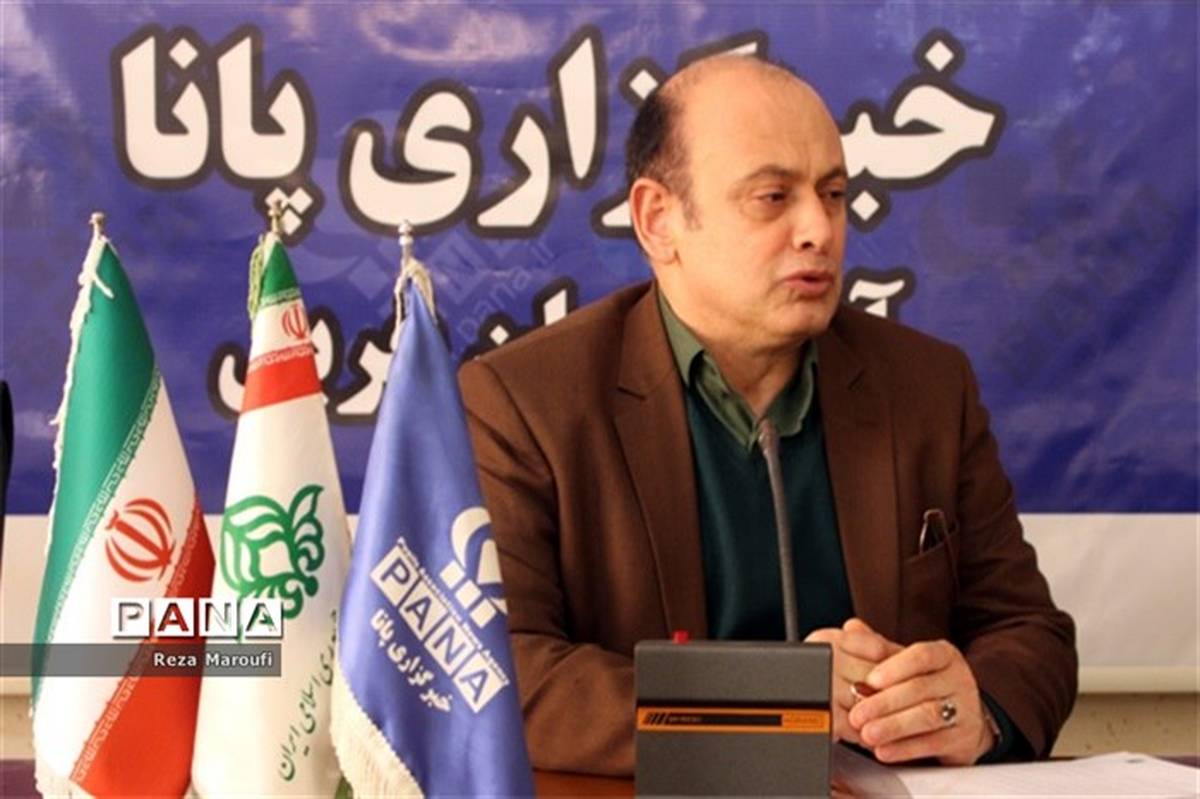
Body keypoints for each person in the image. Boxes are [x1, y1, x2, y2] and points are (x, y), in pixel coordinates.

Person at [458, 55, 1076, 777]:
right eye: (773, 197)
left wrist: (974, 708)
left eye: (833, 193)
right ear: (659, 220)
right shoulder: (523, 403)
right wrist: (772, 704)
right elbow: (506, 671)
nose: (819, 229)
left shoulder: (928, 387)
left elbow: (1028, 632)